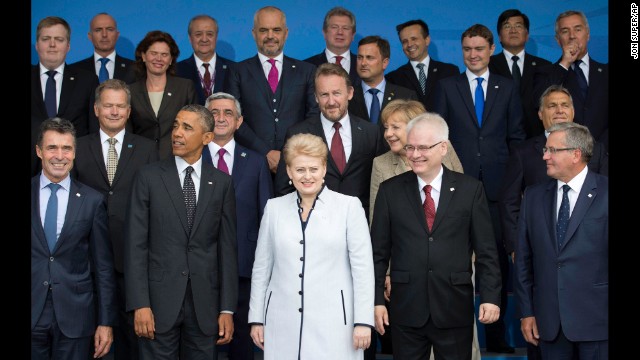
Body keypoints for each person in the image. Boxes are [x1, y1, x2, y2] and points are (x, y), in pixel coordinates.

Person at [371, 112, 501, 360]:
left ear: (443, 148)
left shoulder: (470, 190)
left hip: (453, 307)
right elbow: (378, 253)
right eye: (410, 147)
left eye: (423, 147)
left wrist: (490, 297)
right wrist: (377, 300)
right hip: (406, 309)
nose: (415, 154)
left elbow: (486, 250)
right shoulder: (390, 191)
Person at [433, 24, 526, 354]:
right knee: (454, 261)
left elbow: (515, 138)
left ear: (491, 50)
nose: (473, 55)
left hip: (499, 189)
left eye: (479, 49)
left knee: (495, 261)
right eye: (467, 49)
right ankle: (455, 336)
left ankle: (498, 337)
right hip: (457, 186)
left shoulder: (507, 87)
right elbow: (438, 138)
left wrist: (516, 185)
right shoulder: (447, 86)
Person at [499, 84, 608, 360]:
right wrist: (526, 312)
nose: (545, 156)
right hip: (548, 324)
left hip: (598, 322)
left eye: (552, 151)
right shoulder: (535, 197)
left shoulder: (606, 192)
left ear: (576, 154)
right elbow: (523, 261)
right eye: (545, 149)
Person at [125, 104, 238, 359]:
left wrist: (227, 309)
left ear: (207, 137)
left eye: (187, 128)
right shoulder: (148, 177)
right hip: (157, 305)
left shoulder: (221, 183)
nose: (177, 133)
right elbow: (135, 246)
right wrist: (140, 303)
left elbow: (227, 249)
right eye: (176, 125)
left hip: (205, 307)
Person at [249, 133, 375, 359]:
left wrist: (363, 321)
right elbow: (262, 269)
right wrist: (257, 318)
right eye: (300, 170)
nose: (307, 176)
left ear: (324, 169)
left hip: (336, 324)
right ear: (288, 171)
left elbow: (363, 270)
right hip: (281, 321)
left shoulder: (349, 207)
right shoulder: (274, 208)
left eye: (313, 169)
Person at [368, 98, 467, 359]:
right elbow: (377, 226)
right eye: (385, 127)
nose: (388, 133)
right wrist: (388, 274)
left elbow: (461, 205)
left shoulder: (444, 150)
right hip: (407, 275)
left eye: (395, 127)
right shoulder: (381, 164)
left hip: (450, 273)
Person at [72, 79, 159, 360]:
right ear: (96, 109)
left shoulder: (147, 149)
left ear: (129, 111)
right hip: (84, 262)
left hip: (131, 263)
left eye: (120, 106)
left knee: (130, 345)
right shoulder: (76, 147)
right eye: (108, 105)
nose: (114, 111)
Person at [32, 117, 117, 360]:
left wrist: (105, 322)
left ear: (74, 153)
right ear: (39, 151)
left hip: (76, 316)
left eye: (66, 148)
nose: (60, 155)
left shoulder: (92, 201)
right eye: (52, 148)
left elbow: (103, 267)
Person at [203, 92, 273, 360]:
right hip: (202, 267)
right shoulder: (193, 158)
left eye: (228, 113)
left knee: (241, 346)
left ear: (239, 121)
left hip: (245, 267)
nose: (220, 118)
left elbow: (265, 215)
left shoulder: (255, 162)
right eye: (214, 112)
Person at [274, 63, 384, 220]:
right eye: (324, 95)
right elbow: (284, 187)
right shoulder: (297, 133)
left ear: (350, 93)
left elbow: (380, 186)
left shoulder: (371, 132)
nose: (331, 102)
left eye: (337, 93)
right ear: (316, 98)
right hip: (314, 226)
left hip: (360, 223)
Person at [224, 6, 319, 173]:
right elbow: (233, 118)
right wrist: (265, 152)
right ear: (254, 33)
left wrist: (288, 152)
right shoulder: (237, 72)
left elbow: (313, 116)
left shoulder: (307, 71)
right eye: (263, 30)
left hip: (297, 164)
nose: (270, 36)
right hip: (251, 164)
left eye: (276, 30)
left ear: (286, 33)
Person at [31, 16, 99, 176]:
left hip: (76, 171)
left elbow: (93, 131)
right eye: (46, 39)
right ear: (37, 45)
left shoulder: (87, 80)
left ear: (68, 46)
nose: (52, 44)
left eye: (59, 39)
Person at [533, 10, 608, 150]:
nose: (572, 36)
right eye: (565, 31)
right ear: (557, 39)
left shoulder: (606, 73)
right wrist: (565, 63)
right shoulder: (545, 72)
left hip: (604, 155)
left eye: (578, 29)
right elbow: (541, 104)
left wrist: (600, 150)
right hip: (563, 155)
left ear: (588, 34)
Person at [128, 30, 198, 160]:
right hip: (141, 161)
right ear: (143, 56)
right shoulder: (130, 91)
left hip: (177, 160)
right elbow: (128, 133)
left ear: (171, 59)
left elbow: (195, 127)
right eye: (153, 53)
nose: (159, 59)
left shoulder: (185, 87)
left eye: (164, 54)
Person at [489, 9, 552, 138]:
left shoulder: (544, 66)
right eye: (507, 26)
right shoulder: (487, 66)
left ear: (527, 35)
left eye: (518, 26)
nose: (513, 30)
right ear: (499, 36)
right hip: (498, 139)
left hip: (536, 139)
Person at [386, 19, 460, 112]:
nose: (409, 44)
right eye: (404, 41)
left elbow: (458, 108)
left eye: (414, 39)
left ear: (427, 40)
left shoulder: (449, 71)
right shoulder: (393, 78)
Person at [349, 36, 417, 127]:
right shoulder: (347, 96)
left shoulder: (406, 97)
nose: (363, 63)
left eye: (369, 58)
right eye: (360, 57)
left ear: (385, 62)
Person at [177, 15, 234, 105]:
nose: (204, 39)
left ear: (216, 37)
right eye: (198, 34)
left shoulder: (234, 69)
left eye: (209, 34)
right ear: (190, 38)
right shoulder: (176, 71)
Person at [69, 12, 137, 85]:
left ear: (117, 35)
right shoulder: (74, 70)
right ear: (90, 36)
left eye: (110, 29)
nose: (104, 35)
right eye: (98, 30)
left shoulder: (135, 69)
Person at [304, 6, 360, 86]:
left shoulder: (363, 65)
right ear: (324, 33)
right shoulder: (307, 66)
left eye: (345, 28)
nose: (340, 32)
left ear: (353, 35)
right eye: (334, 27)